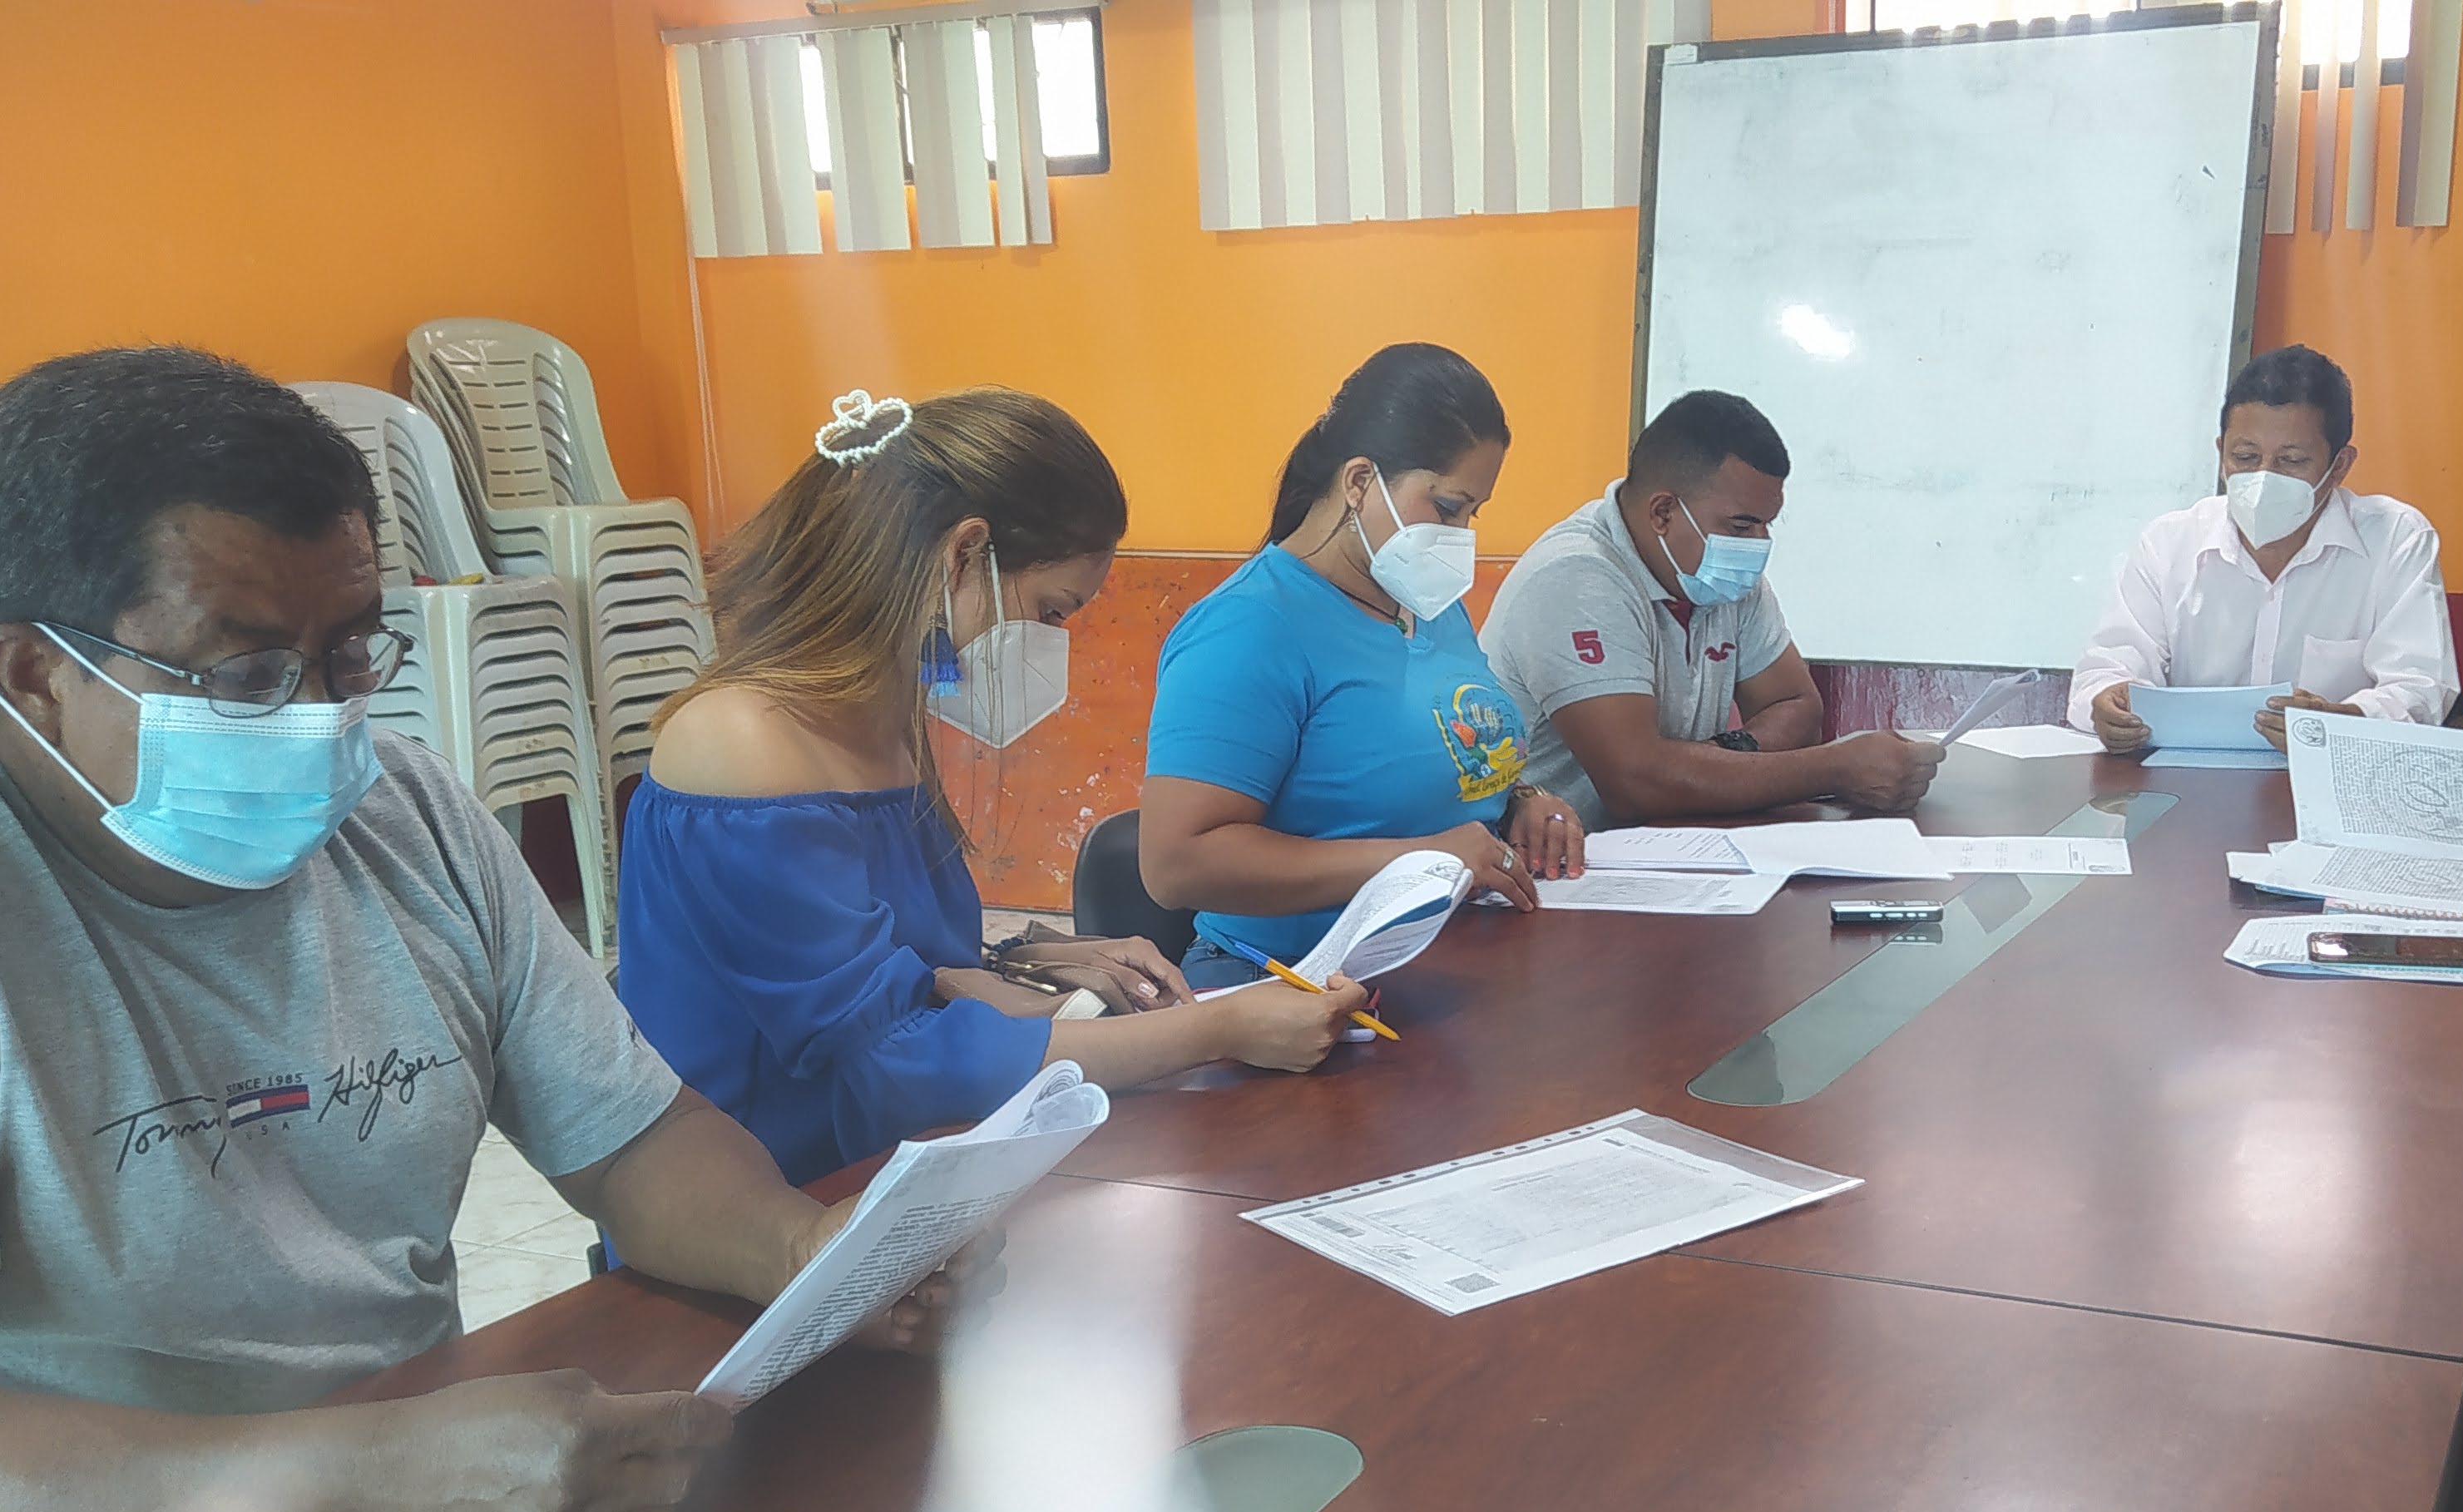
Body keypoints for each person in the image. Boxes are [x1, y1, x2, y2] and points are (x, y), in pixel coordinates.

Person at [0, 348, 958, 1512]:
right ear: (33, 676)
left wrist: (805, 1256)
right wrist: (369, 1479)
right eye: (248, 673)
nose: (320, 718)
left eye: (349, 656)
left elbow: (634, 1141)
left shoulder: (404, 813)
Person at [616, 388, 1368, 1193]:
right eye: (1050, 611)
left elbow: (875, 961)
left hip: (907, 1168)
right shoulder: (743, 743)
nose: (1050, 643)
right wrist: (1218, 1028)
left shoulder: (879, 720)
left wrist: (1030, 959)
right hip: (771, 1202)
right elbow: (891, 1058)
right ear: (965, 554)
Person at [1140, 344, 1584, 966]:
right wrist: (1419, 861)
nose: (1459, 534)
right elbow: (1177, 864)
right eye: (1447, 507)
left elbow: (1436, 763)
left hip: (1449, 958)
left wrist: (1521, 805)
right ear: (1359, 483)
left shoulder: (1429, 603)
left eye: (1473, 512)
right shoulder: (1249, 628)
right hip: (1291, 982)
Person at [1480, 390, 1941, 827]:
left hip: (1671, 847)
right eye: (1742, 526)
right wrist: (1833, 769)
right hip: (1557, 864)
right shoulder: (1577, 576)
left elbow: (1797, 707)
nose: (1759, 544)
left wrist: (1718, 759)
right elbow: (1635, 784)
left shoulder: (1720, 575)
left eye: (1767, 525)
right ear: (1663, 513)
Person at [2070, 344, 2457, 752]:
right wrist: (2109, 701)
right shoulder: (2169, 544)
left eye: (2292, 461)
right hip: (2183, 779)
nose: (2263, 477)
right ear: (2221, 452)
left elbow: (2420, 687)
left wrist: (2345, 723)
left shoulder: (2395, 539)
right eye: (2245, 456)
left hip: (2328, 774)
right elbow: (2108, 668)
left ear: (2340, 466)